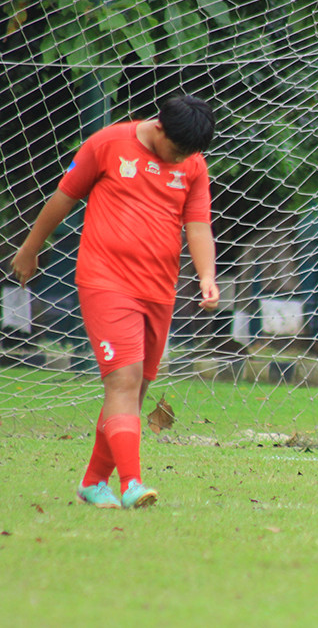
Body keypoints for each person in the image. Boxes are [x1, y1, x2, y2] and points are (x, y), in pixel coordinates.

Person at [10, 95, 218, 510]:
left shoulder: (192, 164)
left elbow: (197, 224)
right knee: (123, 381)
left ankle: (93, 482)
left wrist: (207, 276)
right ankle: (133, 484)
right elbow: (63, 198)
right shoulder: (108, 143)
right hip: (105, 281)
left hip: (160, 289)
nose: (181, 159)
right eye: (177, 151)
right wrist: (30, 248)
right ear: (158, 127)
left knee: (135, 390)